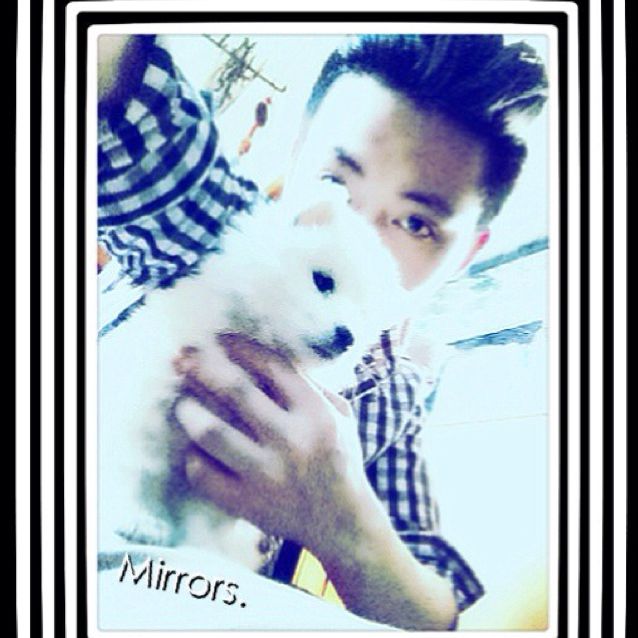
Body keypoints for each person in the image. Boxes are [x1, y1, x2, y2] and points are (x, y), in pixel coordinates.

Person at [97, 33, 547, 630]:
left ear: (466, 255)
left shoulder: (394, 398)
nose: (357, 231)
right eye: (337, 183)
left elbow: (439, 612)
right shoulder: (216, 229)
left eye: (415, 223)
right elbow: (125, 87)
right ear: (296, 151)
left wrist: (343, 518)